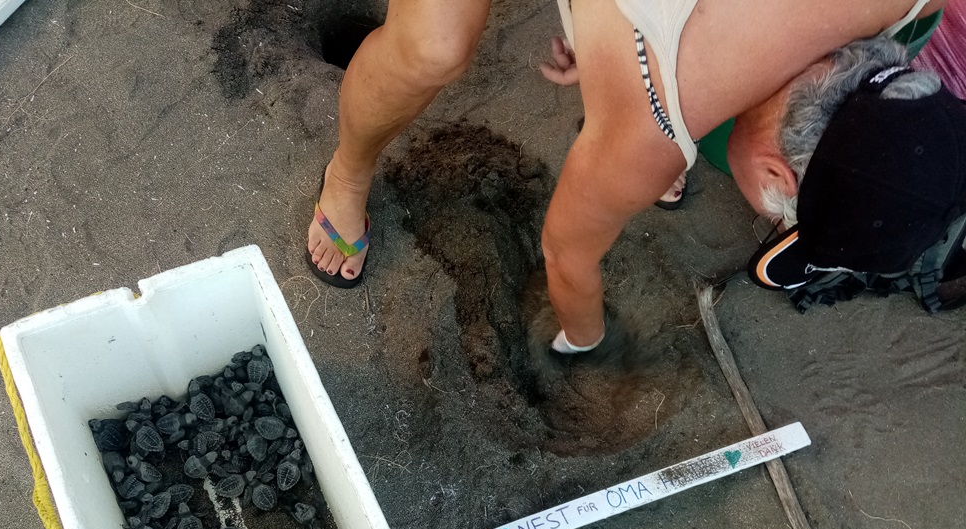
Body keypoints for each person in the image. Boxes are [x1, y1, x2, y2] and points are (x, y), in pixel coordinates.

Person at [306, 0, 955, 352]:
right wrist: (584, 338)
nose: (776, 217)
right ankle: (347, 175)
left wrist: (618, 44)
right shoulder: (652, 130)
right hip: (657, 102)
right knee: (432, 46)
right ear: (775, 173)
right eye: (783, 213)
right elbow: (565, 258)